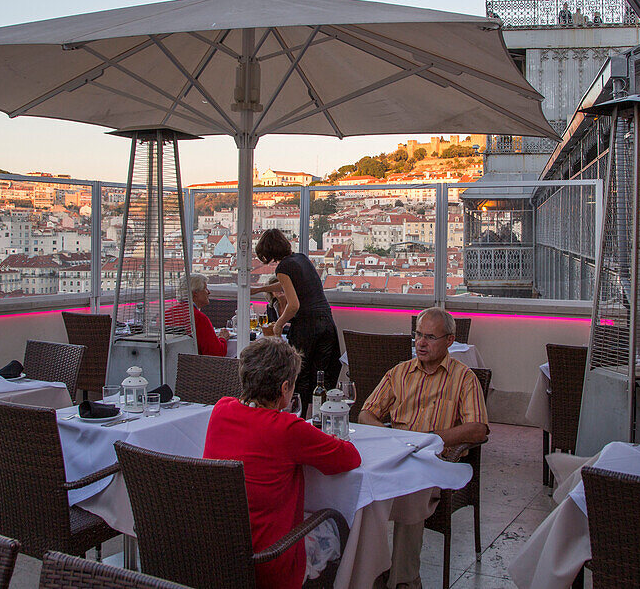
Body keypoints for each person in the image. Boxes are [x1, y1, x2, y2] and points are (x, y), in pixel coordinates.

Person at [203, 337, 360, 589]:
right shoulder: (287, 429)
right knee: (338, 527)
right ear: (286, 387)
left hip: (221, 556)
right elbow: (349, 457)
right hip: (272, 562)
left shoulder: (221, 409)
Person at [359, 307, 489, 589]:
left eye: (430, 337)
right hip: (396, 455)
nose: (420, 343)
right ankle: (367, 574)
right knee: (361, 488)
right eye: (418, 335)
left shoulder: (464, 378)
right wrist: (390, 439)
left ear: (449, 341)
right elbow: (366, 413)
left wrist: (433, 438)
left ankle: (403, 581)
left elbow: (478, 428)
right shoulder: (400, 373)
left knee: (412, 491)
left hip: (434, 461)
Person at [250, 229, 341, 414]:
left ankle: (298, 417)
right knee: (321, 375)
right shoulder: (301, 258)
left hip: (308, 326)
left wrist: (278, 324)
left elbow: (293, 306)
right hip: (326, 321)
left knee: (299, 376)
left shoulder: (283, 268)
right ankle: (320, 417)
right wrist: (261, 289)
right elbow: (291, 285)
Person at [166, 274, 230, 357]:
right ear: (195, 293)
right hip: (193, 366)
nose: (209, 292)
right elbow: (216, 354)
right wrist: (223, 338)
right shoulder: (198, 318)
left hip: (169, 364)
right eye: (205, 288)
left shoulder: (167, 315)